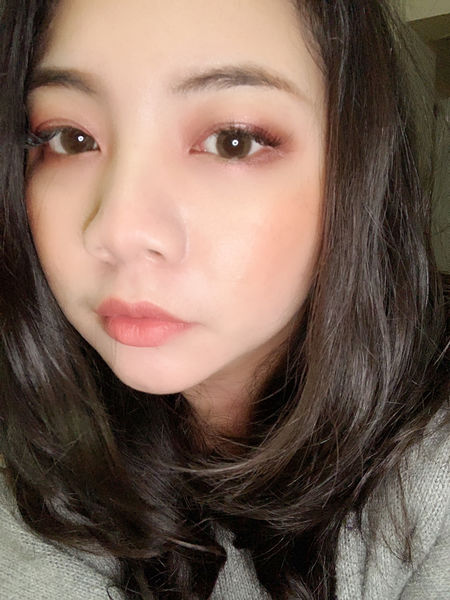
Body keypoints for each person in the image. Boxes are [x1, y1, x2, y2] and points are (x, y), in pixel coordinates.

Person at [0, 0, 448, 598]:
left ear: (356, 167)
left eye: (232, 142)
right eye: (70, 138)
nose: (117, 230)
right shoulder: (33, 450)